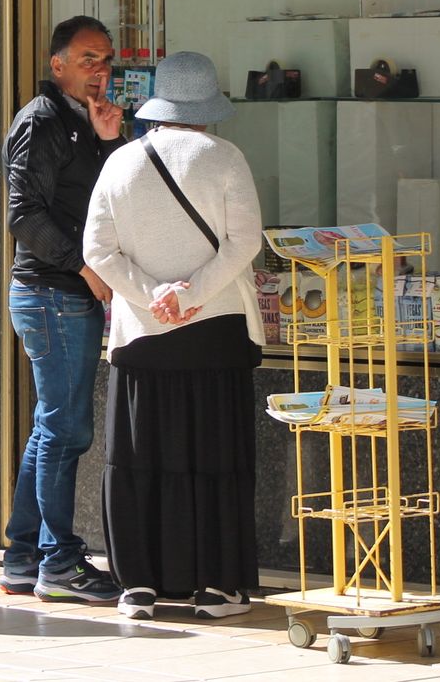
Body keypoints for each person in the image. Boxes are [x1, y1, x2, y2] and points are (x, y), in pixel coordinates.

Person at [82, 51, 264, 621]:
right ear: (207, 109)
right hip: (215, 330)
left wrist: (151, 296)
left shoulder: (121, 162)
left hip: (142, 335)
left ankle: (138, 584)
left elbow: (96, 250)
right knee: (214, 456)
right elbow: (245, 243)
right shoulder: (226, 157)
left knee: (141, 456)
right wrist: (189, 294)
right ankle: (217, 586)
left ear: (159, 105)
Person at [0, 15, 125, 604]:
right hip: (52, 293)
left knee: (53, 427)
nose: (99, 71)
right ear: (58, 66)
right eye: (87, 60)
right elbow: (23, 215)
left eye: (105, 61)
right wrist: (83, 267)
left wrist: (107, 141)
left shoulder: (80, 122)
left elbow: (98, 199)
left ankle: (25, 555)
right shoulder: (41, 121)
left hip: (66, 293)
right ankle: (59, 562)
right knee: (65, 430)